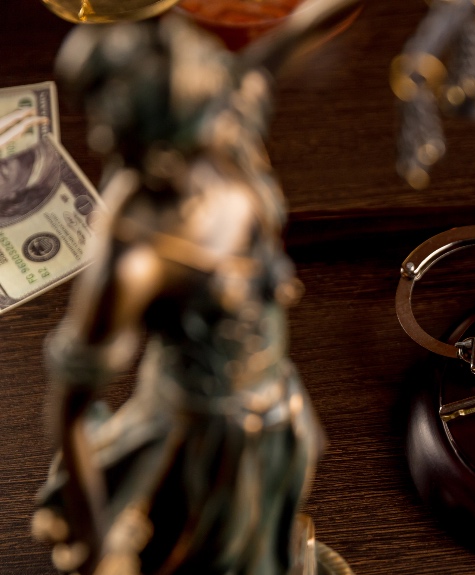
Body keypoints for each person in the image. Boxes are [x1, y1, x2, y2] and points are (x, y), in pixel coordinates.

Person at [30, 8, 354, 575]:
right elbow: (69, 408)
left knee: (268, 535)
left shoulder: (227, 131)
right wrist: (94, 538)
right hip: (202, 439)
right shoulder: (136, 251)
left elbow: (299, 29)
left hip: (275, 399)